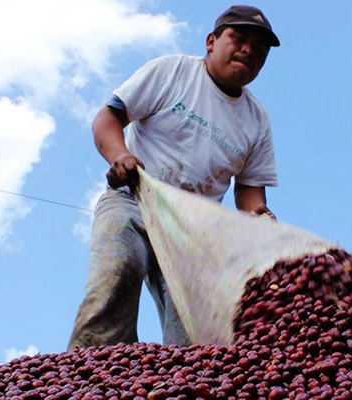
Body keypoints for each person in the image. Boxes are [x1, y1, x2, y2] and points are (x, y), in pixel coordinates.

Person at [68, 5, 281, 348]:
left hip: (192, 229)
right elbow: (108, 117)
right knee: (115, 277)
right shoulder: (172, 72)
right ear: (211, 41)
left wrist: (258, 216)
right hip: (134, 200)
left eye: (259, 49)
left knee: (195, 335)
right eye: (239, 39)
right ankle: (86, 376)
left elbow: (250, 191)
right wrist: (120, 156)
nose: (248, 50)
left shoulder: (257, 120)